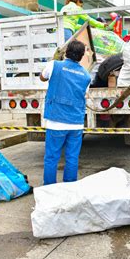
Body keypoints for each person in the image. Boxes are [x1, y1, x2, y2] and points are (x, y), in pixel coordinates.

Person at [40, 40, 91, 185]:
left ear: (66, 52)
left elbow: (42, 77)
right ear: (81, 56)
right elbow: (83, 94)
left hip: (56, 121)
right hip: (76, 124)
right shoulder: (86, 76)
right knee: (72, 158)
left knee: (51, 157)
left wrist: (54, 59)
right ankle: (69, 188)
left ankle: (49, 188)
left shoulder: (54, 65)